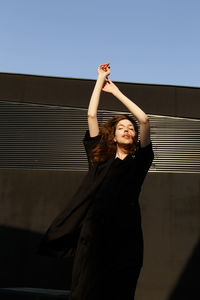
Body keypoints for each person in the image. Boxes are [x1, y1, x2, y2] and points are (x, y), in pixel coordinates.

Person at [37, 63, 154, 300]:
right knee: (85, 291)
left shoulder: (138, 163)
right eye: (121, 127)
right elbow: (91, 114)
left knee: (120, 290)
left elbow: (144, 120)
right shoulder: (99, 158)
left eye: (129, 128)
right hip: (94, 235)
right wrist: (100, 80)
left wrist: (117, 92)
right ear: (113, 133)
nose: (127, 129)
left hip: (126, 237)